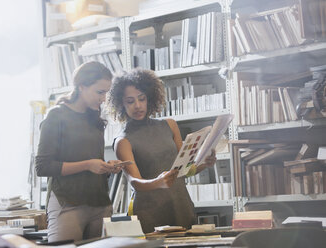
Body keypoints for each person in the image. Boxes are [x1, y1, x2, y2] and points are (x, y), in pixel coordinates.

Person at [107, 68, 217, 234]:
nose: (137, 105)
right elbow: (135, 183)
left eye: (141, 99)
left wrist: (204, 163)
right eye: (130, 101)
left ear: (149, 98)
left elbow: (184, 169)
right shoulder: (123, 141)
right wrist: (158, 182)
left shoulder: (169, 125)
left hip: (181, 206)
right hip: (150, 213)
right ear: (121, 104)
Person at [35, 61, 123, 242]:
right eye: (100, 92)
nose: (104, 98)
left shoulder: (95, 118)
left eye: (107, 92)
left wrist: (107, 167)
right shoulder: (56, 116)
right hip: (68, 202)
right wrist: (88, 165)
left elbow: (92, 161)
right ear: (81, 86)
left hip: (100, 203)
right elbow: (43, 167)